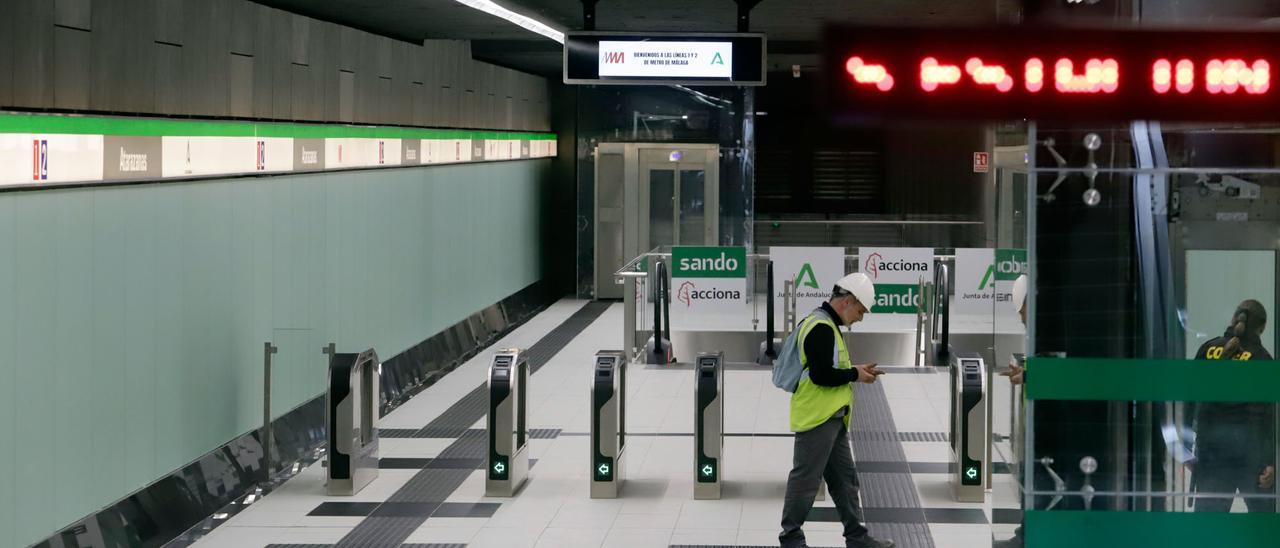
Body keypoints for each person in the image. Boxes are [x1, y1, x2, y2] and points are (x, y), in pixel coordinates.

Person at [779, 272, 894, 548]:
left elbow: (829, 369)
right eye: (861, 310)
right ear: (848, 301)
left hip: (834, 417)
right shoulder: (821, 327)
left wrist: (855, 371)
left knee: (845, 480)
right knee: (805, 481)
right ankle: (791, 538)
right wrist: (855, 375)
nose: (861, 317)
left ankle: (857, 537)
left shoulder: (828, 324)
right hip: (817, 417)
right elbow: (820, 375)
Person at [1191, 299, 1277, 513]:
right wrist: (1270, 462)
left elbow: (1190, 397)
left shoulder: (1208, 348)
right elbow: (1267, 418)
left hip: (1212, 455)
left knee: (1208, 530)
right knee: (1261, 531)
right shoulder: (1262, 359)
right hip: (1251, 457)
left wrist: (1187, 451)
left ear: (1233, 319)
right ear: (1262, 327)